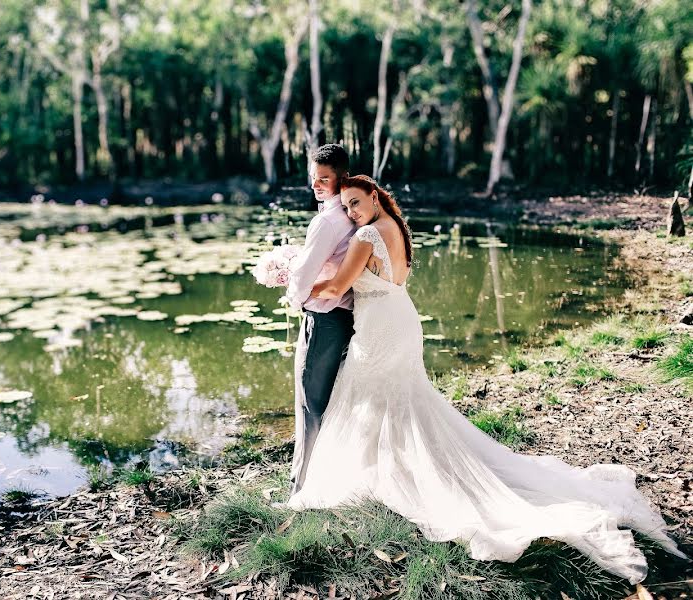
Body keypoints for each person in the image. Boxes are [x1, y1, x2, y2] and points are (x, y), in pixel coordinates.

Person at [285, 174, 687, 584]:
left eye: (355, 202)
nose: (351, 213)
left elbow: (336, 286)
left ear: (374, 196)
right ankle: (392, 464)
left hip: (380, 331)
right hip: (399, 321)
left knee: (371, 397)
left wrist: (291, 281)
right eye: (346, 207)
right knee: (401, 401)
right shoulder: (396, 228)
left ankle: (390, 471)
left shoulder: (367, 235)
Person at [284, 143, 357, 495]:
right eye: (314, 178)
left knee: (309, 402)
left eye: (323, 179)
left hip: (324, 317)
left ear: (342, 178)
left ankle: (302, 487)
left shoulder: (328, 220)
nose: (316, 185)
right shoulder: (353, 214)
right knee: (330, 400)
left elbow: (303, 277)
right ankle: (323, 477)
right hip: (346, 316)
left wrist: (294, 298)